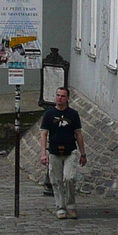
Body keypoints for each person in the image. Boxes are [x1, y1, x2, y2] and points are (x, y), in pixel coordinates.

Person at [39, 87, 87, 219]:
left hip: (70, 151)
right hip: (54, 151)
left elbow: (78, 134)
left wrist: (83, 154)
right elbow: (44, 134)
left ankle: (71, 205)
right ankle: (60, 206)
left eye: (63, 96)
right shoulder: (49, 114)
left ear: (67, 98)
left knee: (69, 178)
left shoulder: (73, 114)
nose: (60, 98)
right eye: (58, 95)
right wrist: (43, 153)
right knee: (56, 180)